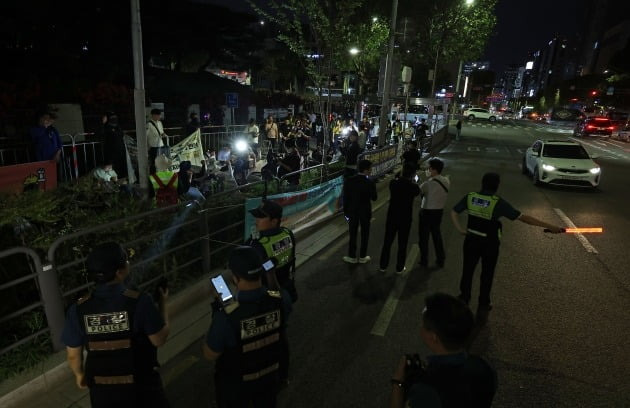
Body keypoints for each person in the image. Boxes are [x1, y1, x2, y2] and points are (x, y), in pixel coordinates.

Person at [61, 242, 170, 408]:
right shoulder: (140, 301)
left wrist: (79, 374)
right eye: (126, 260)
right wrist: (163, 304)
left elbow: (73, 355)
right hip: (142, 388)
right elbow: (159, 339)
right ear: (120, 272)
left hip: (103, 393)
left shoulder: (78, 309)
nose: (128, 262)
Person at [451, 172, 564, 322]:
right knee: (487, 273)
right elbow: (524, 218)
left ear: (482, 183)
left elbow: (454, 211)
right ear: (496, 186)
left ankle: (464, 298)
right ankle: (483, 304)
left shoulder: (470, 197)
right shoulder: (497, 202)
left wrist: (460, 229)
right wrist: (551, 226)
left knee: (467, 270)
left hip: (471, 240)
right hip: (489, 244)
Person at [203, 246, 292, 408]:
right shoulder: (281, 299)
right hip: (269, 380)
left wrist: (220, 307)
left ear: (235, 279)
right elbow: (277, 297)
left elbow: (210, 354)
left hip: (236, 388)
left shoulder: (227, 317)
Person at [389, 293, 497, 408]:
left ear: (433, 336)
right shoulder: (485, 369)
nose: (421, 326)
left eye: (424, 324)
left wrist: (398, 382)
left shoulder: (426, 390)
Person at [379, 163, 421, 274]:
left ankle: (383, 266)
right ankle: (399, 267)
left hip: (392, 217)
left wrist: (400, 175)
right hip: (405, 218)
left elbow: (395, 179)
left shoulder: (393, 184)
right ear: (413, 175)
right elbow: (417, 191)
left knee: (387, 242)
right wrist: (414, 181)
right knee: (402, 243)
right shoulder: (414, 187)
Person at [343, 159, 377, 264]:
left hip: (352, 211)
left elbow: (346, 198)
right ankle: (362, 256)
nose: (371, 170)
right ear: (366, 170)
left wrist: (346, 214)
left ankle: (352, 256)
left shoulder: (349, 180)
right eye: (370, 168)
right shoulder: (370, 182)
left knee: (353, 234)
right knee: (365, 233)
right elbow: (374, 198)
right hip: (365, 212)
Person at [418, 158, 450, 268]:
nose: (428, 170)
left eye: (429, 168)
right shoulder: (446, 181)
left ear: (434, 170)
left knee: (424, 237)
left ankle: (424, 260)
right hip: (438, 212)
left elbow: (419, 191)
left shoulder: (427, 184)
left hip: (426, 213)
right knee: (436, 235)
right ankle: (441, 259)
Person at [102, 111, 128, 180]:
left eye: (115, 117)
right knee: (113, 171)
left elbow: (121, 135)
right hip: (111, 153)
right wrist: (103, 123)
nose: (114, 119)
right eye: (112, 118)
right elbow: (102, 135)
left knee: (121, 169)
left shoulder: (118, 127)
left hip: (120, 151)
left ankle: (122, 181)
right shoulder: (106, 127)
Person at [147, 109, 168, 173]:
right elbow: (145, 136)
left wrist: (164, 134)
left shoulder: (160, 123)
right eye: (158, 115)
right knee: (154, 164)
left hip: (161, 146)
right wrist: (148, 147)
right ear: (153, 115)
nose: (159, 117)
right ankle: (153, 178)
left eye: (159, 115)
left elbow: (161, 132)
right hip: (153, 147)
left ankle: (161, 177)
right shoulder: (148, 124)